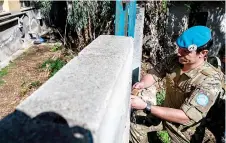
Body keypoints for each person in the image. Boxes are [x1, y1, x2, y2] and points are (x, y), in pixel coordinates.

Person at [130, 26, 225, 143]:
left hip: (185, 128)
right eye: (179, 48)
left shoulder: (210, 80)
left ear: (203, 53)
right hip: (164, 113)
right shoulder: (174, 60)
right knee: (135, 124)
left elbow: (186, 117)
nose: (179, 53)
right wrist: (142, 83)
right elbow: (155, 73)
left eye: (185, 51)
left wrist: (146, 106)